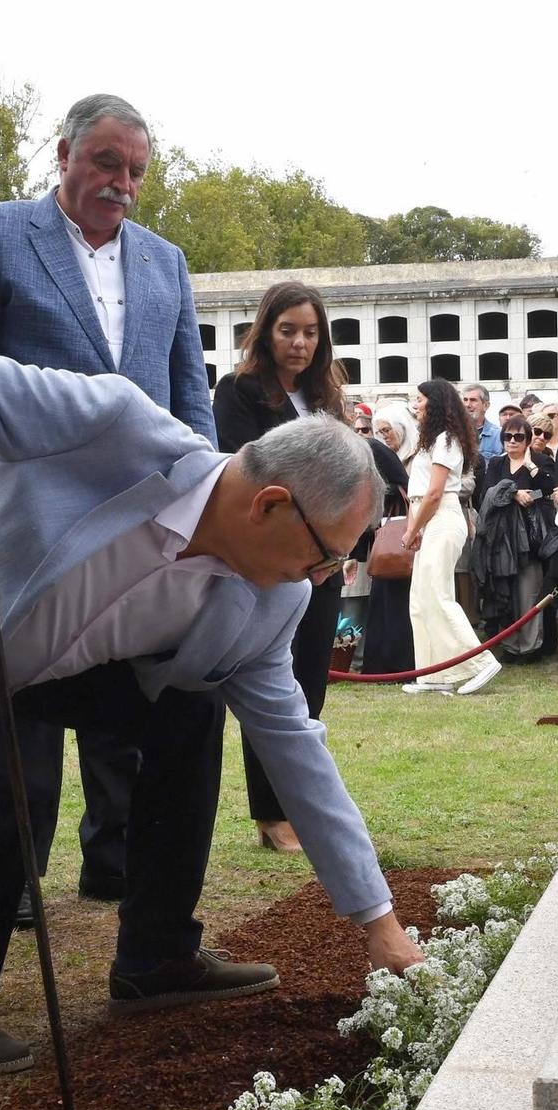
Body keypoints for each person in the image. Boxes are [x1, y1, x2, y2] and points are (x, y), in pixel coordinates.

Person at [0, 331, 427, 1071]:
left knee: (191, 711)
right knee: (10, 783)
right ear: (271, 504)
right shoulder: (117, 426)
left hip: (46, 666)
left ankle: (156, 957)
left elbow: (297, 751)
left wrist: (377, 921)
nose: (324, 578)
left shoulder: (267, 604)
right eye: (325, 554)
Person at [0, 93, 215, 911]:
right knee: (23, 696)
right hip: (30, 516)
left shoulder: (166, 260)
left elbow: (189, 393)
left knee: (128, 686)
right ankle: (16, 873)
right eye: (105, 162)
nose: (121, 183)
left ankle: (115, 859)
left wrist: (201, 494)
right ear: (63, 155)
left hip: (140, 514)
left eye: (135, 171)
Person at [213, 281, 348, 855]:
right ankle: (270, 812)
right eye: (288, 329)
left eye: (310, 332)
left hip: (325, 561)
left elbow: (346, 475)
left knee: (310, 681)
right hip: (275, 562)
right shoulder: (239, 391)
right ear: (266, 331)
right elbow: (250, 474)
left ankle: (297, 803)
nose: (299, 342)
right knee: (272, 685)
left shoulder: (326, 397)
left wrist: (335, 549)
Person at [403, 379, 502, 696]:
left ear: (435, 404)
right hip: (427, 518)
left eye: (420, 400)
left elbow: (434, 494)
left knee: (438, 595)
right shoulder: (430, 440)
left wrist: (413, 528)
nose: (416, 405)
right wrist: (414, 526)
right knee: (420, 600)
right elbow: (418, 495)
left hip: (442, 517)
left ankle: (480, 662)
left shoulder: (447, 439)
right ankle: (432, 674)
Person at [476, 415, 558, 660]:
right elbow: (486, 494)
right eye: (507, 437)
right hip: (502, 539)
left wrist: (530, 467)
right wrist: (512, 493)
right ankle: (511, 646)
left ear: (527, 439)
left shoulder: (541, 461)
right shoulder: (496, 464)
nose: (512, 441)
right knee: (508, 592)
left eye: (518, 437)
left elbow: (549, 489)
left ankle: (531, 646)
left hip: (531, 538)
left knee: (529, 592)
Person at [361, 401, 419, 675]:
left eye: (388, 429)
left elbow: (408, 491)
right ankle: (380, 664)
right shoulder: (381, 453)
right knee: (383, 599)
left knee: (401, 602)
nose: (383, 435)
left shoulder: (415, 455)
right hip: (385, 535)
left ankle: (399, 663)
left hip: (406, 535)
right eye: (379, 430)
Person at [461, 382, 502, 460]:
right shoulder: (453, 434)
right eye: (465, 400)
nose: (467, 405)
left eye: (473, 400)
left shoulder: (498, 436)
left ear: (486, 406)